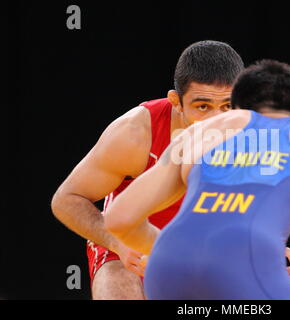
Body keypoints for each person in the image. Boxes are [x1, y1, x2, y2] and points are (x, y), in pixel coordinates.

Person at [104, 60, 290, 299]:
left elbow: (119, 218)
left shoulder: (204, 131)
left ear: (236, 107)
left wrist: (173, 252)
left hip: (167, 271)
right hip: (248, 268)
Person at [51, 40, 245, 299]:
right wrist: (114, 241)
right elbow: (66, 199)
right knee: (118, 285)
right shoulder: (135, 135)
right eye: (202, 107)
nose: (216, 121)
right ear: (176, 101)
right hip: (130, 248)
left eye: (227, 106)